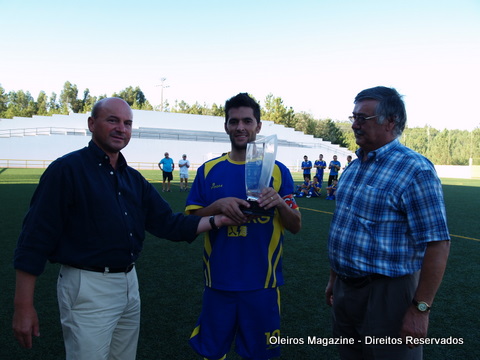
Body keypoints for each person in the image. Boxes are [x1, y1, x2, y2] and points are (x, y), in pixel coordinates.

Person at [12, 97, 238, 360]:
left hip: (130, 284)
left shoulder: (132, 179)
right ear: (91, 124)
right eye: (113, 120)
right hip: (87, 287)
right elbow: (34, 239)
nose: (121, 128)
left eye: (127, 123)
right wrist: (23, 305)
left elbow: (168, 224)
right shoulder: (66, 170)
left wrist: (218, 219)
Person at [325, 86, 450, 360]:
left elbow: (438, 244)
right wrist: (335, 278)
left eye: (363, 118)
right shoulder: (355, 167)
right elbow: (346, 227)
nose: (355, 125)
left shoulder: (415, 169)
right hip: (347, 290)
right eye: (354, 117)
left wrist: (420, 309)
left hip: (389, 294)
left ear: (391, 121)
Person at [186, 93, 302, 360]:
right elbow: (191, 222)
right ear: (226, 126)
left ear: (258, 126)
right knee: (212, 352)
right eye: (234, 121)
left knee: (261, 354)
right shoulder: (208, 170)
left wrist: (280, 204)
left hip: (262, 285)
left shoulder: (277, 170)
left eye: (247, 121)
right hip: (218, 283)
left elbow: (295, 226)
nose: (240, 127)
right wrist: (218, 206)